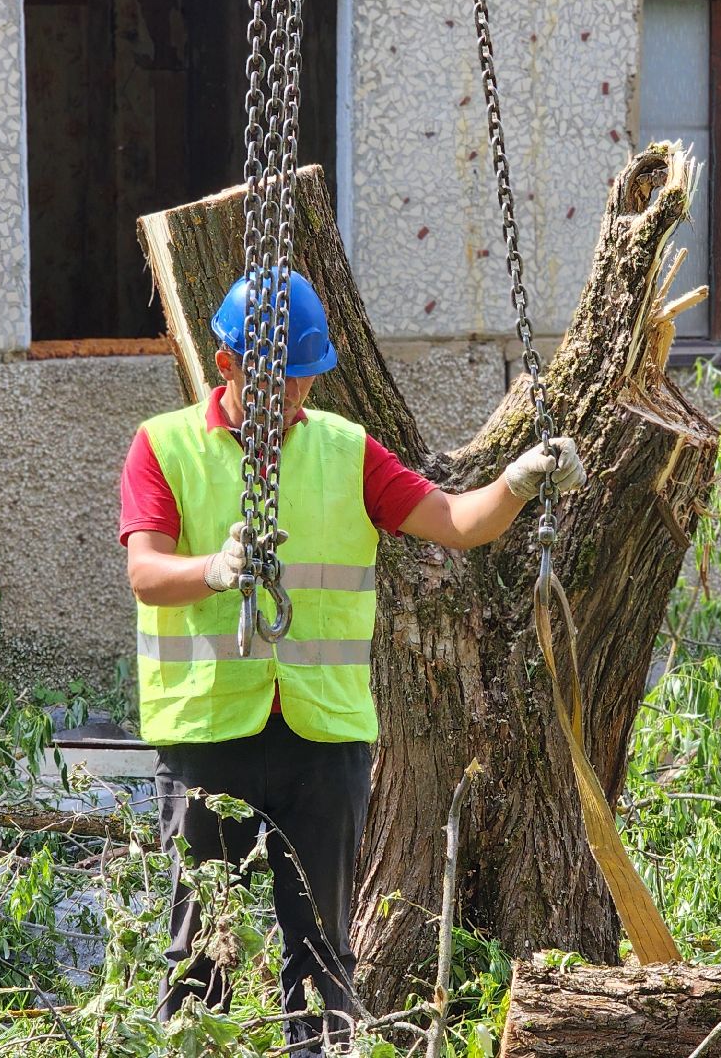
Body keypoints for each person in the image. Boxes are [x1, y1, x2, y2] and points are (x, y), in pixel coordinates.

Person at [119, 268, 584, 1054]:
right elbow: (144, 572)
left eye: (305, 380)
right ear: (228, 365)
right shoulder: (162, 446)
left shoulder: (345, 450)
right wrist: (214, 569)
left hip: (322, 742)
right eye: (280, 379)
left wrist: (516, 483)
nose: (296, 396)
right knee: (200, 962)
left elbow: (457, 523)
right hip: (206, 738)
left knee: (321, 962)